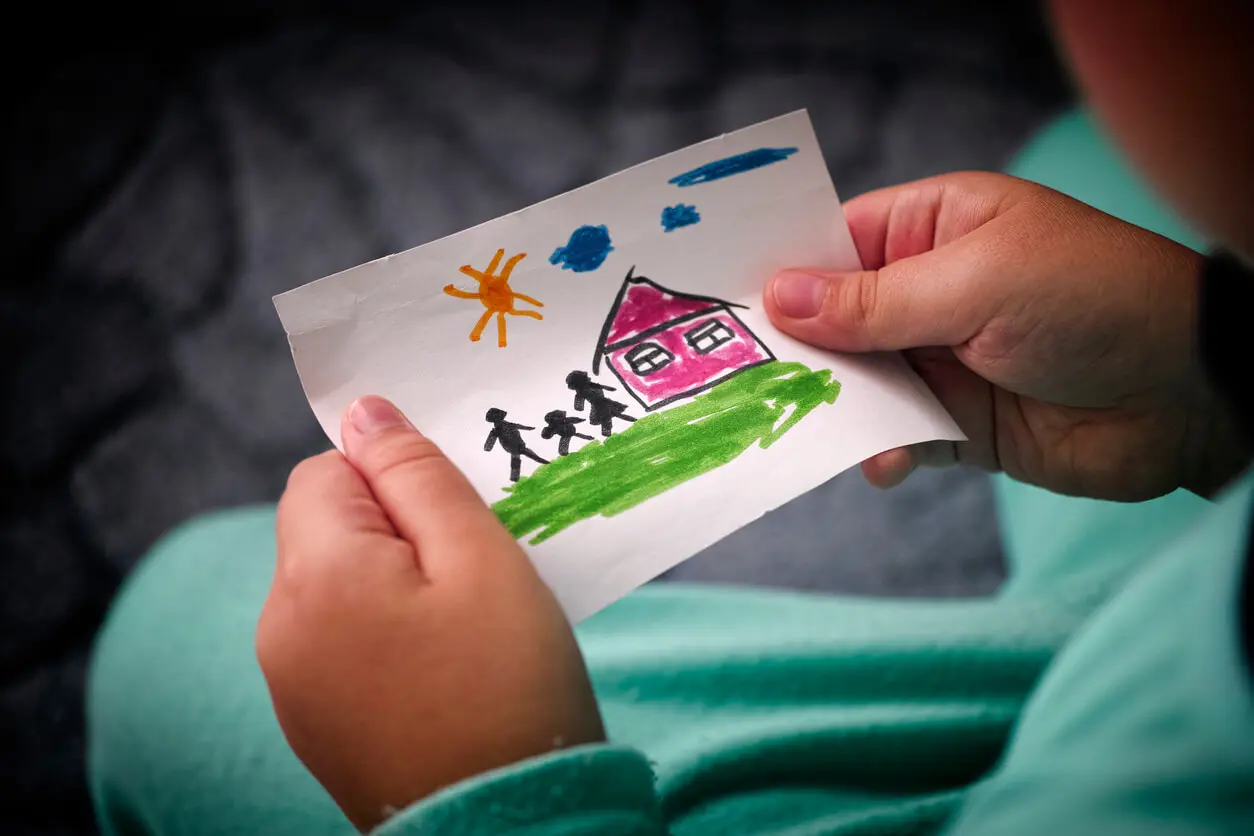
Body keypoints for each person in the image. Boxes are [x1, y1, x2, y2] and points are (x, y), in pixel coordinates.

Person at [87, 3, 1253, 835]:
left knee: (191, 619)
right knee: (1089, 157)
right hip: (1196, 555)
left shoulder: (1173, 761)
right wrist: (1218, 382)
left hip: (1111, 723)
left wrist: (482, 786)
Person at [483, 407, 549, 483]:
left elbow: (489, 445)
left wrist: (528, 428)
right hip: (515, 446)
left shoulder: (501, 427)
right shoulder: (499, 429)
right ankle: (515, 477)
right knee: (525, 457)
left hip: (516, 446)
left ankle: (515, 477)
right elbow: (489, 443)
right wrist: (528, 428)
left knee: (522, 457)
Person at [565, 370, 636, 437]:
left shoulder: (583, 391)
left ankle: (609, 436)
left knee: (609, 419)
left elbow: (579, 408)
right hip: (602, 404)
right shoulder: (587, 388)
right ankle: (610, 435)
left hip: (600, 405)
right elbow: (606, 388)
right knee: (611, 417)